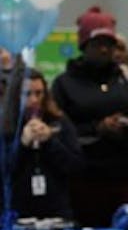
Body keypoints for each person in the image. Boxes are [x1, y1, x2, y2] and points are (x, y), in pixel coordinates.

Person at [51, 6, 128, 227]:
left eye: (109, 44)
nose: (104, 50)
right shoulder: (64, 83)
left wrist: (126, 133)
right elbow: (59, 130)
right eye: (98, 43)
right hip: (86, 181)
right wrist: (97, 129)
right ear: (83, 45)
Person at [3, 69, 85, 220]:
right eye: (27, 94)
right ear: (15, 96)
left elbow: (76, 166)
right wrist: (22, 145)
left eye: (39, 93)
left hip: (55, 209)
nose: (34, 100)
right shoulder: (6, 125)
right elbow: (5, 171)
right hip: (15, 209)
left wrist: (50, 142)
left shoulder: (59, 121)